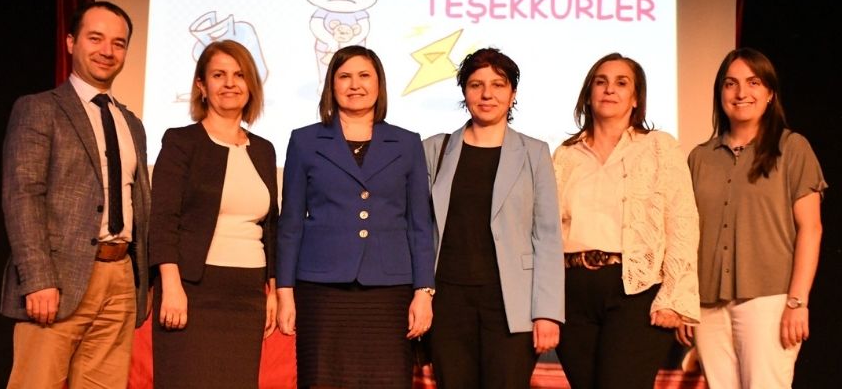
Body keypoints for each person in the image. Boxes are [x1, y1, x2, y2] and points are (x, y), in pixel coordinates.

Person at [1, 1, 150, 388]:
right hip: (58, 280)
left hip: (120, 278)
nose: (107, 51)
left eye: (118, 43)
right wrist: (37, 279)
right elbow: (22, 197)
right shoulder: (40, 109)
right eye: (95, 38)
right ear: (70, 42)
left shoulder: (131, 123)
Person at [276, 45, 434, 389]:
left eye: (364, 76)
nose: (355, 84)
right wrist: (284, 291)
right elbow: (290, 224)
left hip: (389, 290)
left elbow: (420, 225)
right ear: (331, 85)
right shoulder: (304, 141)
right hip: (322, 289)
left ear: (379, 84)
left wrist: (424, 291)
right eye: (344, 76)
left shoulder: (407, 143)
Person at [678, 48, 825, 389]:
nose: (741, 92)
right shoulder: (700, 158)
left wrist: (797, 302)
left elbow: (811, 229)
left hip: (770, 302)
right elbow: (686, 234)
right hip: (707, 306)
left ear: (770, 93)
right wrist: (683, 301)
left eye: (753, 82)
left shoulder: (793, 148)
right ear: (720, 93)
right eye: (731, 84)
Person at [552, 52, 700, 389]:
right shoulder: (565, 154)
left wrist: (673, 296)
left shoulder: (659, 147)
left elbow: (682, 221)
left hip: (634, 291)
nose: (609, 89)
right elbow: (547, 230)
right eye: (601, 82)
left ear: (636, 98)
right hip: (571, 293)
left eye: (621, 83)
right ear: (589, 93)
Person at [422, 48, 564, 388]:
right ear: (464, 92)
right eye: (476, 85)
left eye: (498, 85)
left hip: (511, 304)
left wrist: (547, 312)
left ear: (512, 94)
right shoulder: (434, 149)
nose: (487, 94)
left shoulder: (534, 152)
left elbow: (547, 236)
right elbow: (419, 229)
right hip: (448, 303)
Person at [149, 40, 278, 388]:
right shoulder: (181, 142)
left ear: (251, 85)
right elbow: (163, 219)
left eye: (239, 75)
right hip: (192, 291)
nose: (230, 83)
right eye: (218, 75)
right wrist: (171, 285)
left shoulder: (264, 150)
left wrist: (272, 288)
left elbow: (272, 226)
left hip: (247, 295)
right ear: (201, 86)